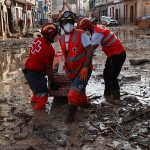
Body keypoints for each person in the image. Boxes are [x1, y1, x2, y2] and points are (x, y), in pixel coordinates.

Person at [77, 18, 126, 103]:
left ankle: (116, 98)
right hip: (113, 54)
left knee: (112, 77)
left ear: (89, 27)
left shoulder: (97, 34)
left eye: (84, 30)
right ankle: (107, 95)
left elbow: (90, 50)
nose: (84, 32)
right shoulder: (95, 29)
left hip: (118, 54)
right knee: (106, 74)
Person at [58, 11, 94, 123]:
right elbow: (65, 55)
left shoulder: (81, 34)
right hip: (72, 71)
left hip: (83, 70)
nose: (67, 24)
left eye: (69, 22)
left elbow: (90, 51)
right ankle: (85, 106)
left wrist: (85, 68)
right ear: (61, 24)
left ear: (73, 23)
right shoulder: (61, 38)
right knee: (81, 90)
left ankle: (69, 123)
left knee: (73, 94)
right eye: (65, 22)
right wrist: (62, 67)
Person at [23, 23, 59, 109]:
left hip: (27, 71)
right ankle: (38, 116)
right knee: (43, 94)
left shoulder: (37, 40)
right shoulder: (50, 50)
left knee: (37, 90)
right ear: (51, 35)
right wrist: (53, 83)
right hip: (35, 73)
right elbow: (49, 69)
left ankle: (34, 102)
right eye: (56, 34)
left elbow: (38, 58)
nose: (57, 36)